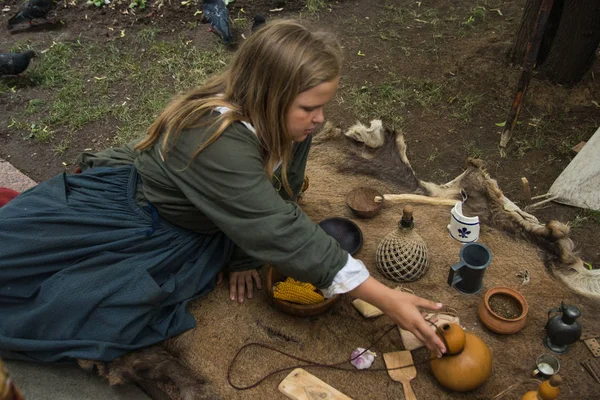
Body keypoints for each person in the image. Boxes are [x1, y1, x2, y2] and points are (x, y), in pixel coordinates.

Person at [0, 20, 446, 364]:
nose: (319, 119)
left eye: (323, 105)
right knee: (59, 300)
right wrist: (384, 298)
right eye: (309, 107)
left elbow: (277, 193)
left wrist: (244, 255)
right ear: (270, 95)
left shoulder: (286, 121)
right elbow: (276, 225)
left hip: (204, 221)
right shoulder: (212, 136)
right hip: (135, 217)